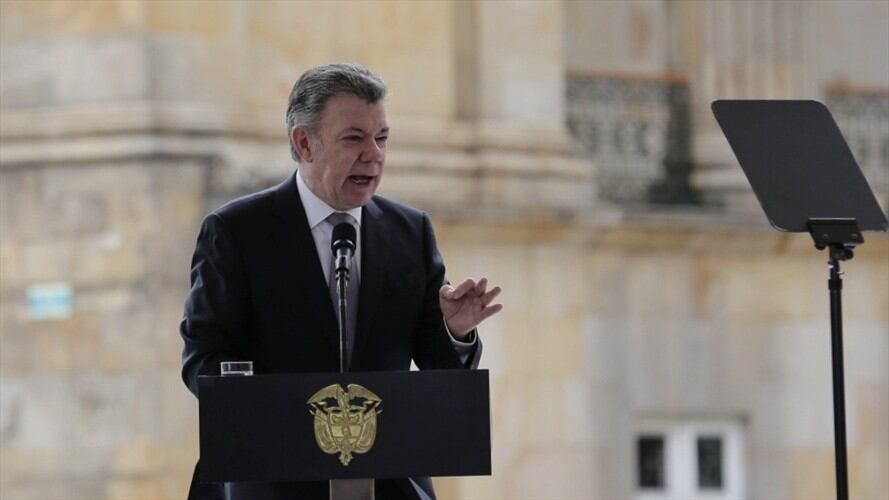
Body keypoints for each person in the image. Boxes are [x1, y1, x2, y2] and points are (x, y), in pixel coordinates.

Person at [180, 63, 503, 500]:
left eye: (382, 137)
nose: (374, 154)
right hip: (270, 481)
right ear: (304, 142)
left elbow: (437, 368)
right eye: (355, 138)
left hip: (390, 481)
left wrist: (455, 330)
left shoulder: (410, 231)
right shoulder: (238, 231)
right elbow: (203, 357)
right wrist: (262, 404)